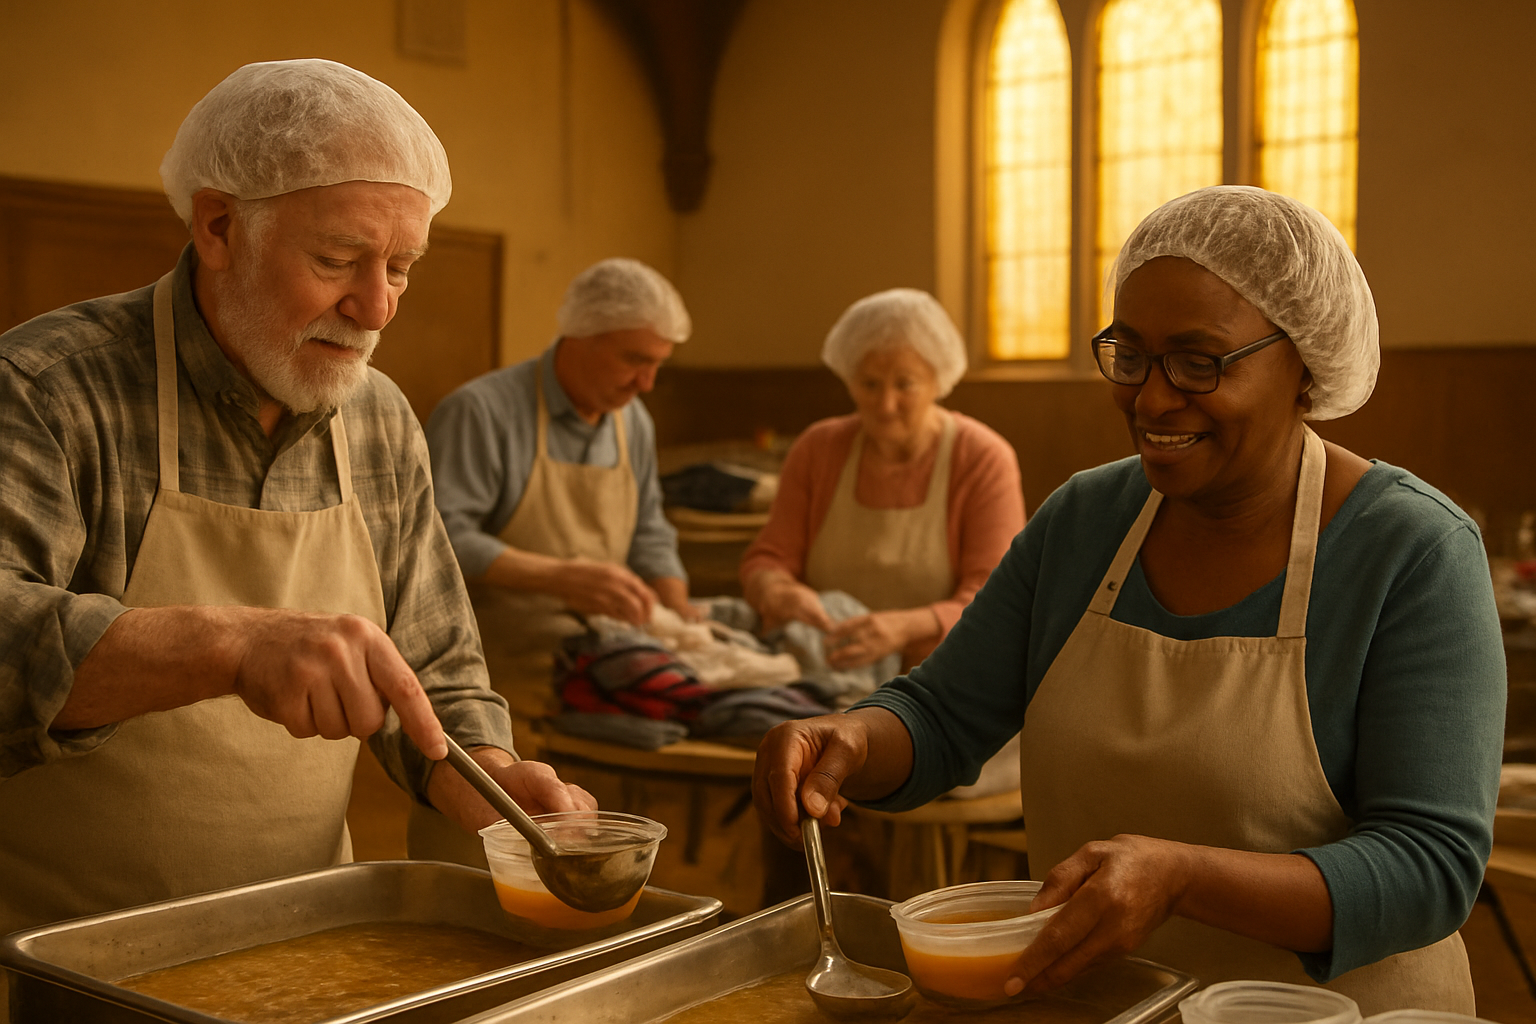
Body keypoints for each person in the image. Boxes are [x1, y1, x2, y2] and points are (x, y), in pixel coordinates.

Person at [752, 187, 1505, 1015]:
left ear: (1306, 362)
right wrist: (852, 738)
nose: (1150, 399)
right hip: (1103, 1007)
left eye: (1197, 361)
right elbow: (941, 715)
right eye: (1132, 355)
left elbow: (1429, 866)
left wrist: (1182, 877)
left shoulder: (1411, 552)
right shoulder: (1086, 521)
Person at [0, 59, 593, 941]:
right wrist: (231, 645)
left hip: (303, 938)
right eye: (339, 259)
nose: (377, 307)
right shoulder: (52, 390)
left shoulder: (381, 419)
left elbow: (434, 665)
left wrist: (487, 772)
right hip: (67, 955)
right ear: (217, 226)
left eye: (403, 267)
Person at [426, 258, 696, 737]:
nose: (647, 384)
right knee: (490, 807)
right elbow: (440, 537)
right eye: (635, 360)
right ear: (579, 336)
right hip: (491, 666)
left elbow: (649, 528)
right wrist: (561, 577)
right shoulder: (483, 413)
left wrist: (680, 611)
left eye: (658, 364)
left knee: (586, 809)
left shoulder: (632, 421)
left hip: (592, 657)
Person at [740, 288, 1025, 671]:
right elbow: (768, 557)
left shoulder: (981, 457)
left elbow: (995, 600)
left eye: (905, 384)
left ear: (936, 381)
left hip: (940, 680)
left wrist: (904, 629)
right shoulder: (818, 449)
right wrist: (776, 590)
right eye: (869, 384)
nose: (885, 405)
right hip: (827, 666)